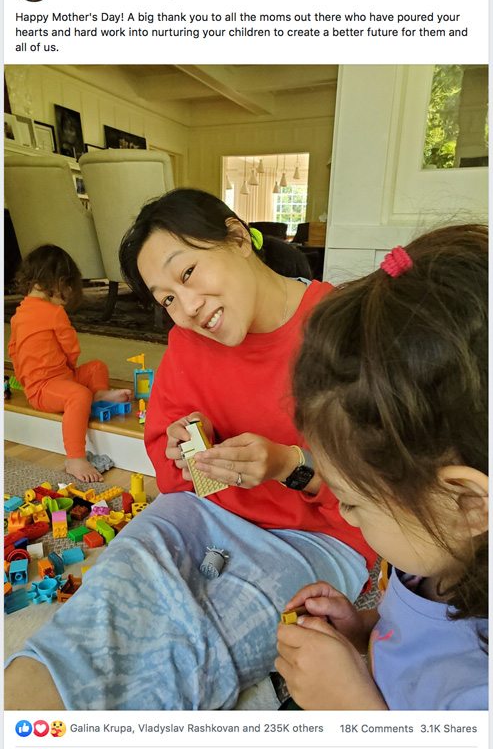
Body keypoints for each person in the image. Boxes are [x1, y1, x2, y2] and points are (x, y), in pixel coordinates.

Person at [4, 190, 376, 711]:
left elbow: (386, 499)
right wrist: (184, 450)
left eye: (187, 274)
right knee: (104, 599)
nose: (189, 308)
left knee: (198, 650)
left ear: (238, 237)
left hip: (319, 537)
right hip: (205, 511)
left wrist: (289, 465)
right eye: (167, 300)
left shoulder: (346, 329)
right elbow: (173, 473)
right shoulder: (187, 343)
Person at [276, 224, 488, 711]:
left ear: (469, 505)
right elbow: (412, 642)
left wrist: (350, 707)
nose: (344, 515)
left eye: (353, 501)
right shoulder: (432, 560)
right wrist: (363, 630)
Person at [7, 245, 131, 483]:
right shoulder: (55, 313)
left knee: (96, 367)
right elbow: (71, 349)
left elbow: (13, 350)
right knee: (79, 394)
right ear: (58, 283)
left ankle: (98, 394)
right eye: (69, 286)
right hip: (45, 389)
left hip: (52, 381)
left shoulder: (18, 314)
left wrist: (26, 378)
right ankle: (75, 458)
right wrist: (69, 370)